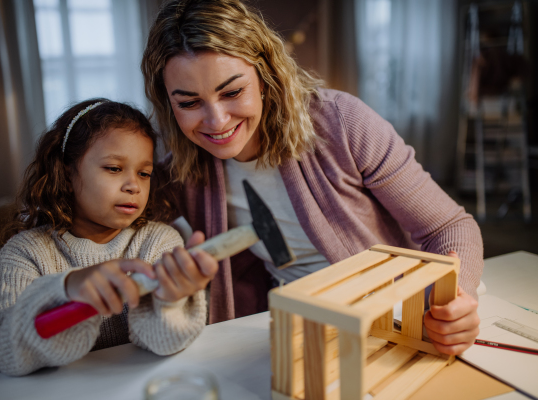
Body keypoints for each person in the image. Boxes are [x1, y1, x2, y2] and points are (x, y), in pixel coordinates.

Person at [142, 0, 482, 355]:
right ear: (168, 104)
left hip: (390, 324)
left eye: (232, 92)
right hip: (291, 333)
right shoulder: (177, 175)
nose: (216, 121)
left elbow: (447, 227)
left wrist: (459, 300)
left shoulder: (341, 122)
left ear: (265, 77)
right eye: (189, 103)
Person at [0, 99, 218, 376]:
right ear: (68, 173)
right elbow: (5, 353)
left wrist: (170, 301)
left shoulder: (159, 242)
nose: (133, 186)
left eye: (144, 173)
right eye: (114, 169)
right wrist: (66, 289)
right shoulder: (26, 253)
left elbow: (164, 344)